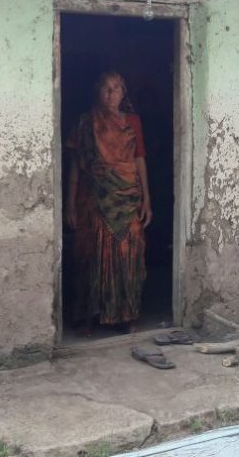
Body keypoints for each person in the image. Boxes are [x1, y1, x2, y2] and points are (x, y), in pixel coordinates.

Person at [66, 71, 152, 333]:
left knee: (129, 255)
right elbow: (76, 168)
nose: (111, 93)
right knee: (92, 254)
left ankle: (126, 315)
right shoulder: (85, 123)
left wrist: (147, 200)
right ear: (97, 91)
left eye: (116, 88)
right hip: (94, 199)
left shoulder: (133, 122)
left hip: (127, 198)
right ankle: (90, 316)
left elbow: (139, 160)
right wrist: (69, 204)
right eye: (106, 88)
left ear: (123, 92)